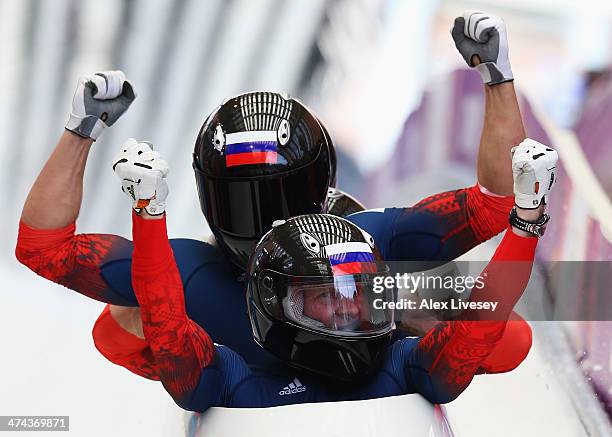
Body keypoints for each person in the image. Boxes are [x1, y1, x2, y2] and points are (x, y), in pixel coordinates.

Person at [16, 11, 532, 377]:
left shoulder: (371, 242)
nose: (263, 223)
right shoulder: (192, 278)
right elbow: (47, 257)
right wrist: (81, 126)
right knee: (125, 323)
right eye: (245, 204)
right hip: (248, 381)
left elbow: (506, 319)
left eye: (333, 302)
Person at [120, 135, 556, 410]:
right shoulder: (229, 382)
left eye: (358, 292)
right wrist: (148, 215)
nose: (350, 305)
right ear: (279, 303)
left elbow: (482, 327)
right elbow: (165, 323)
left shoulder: (407, 365)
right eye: (327, 295)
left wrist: (526, 220)